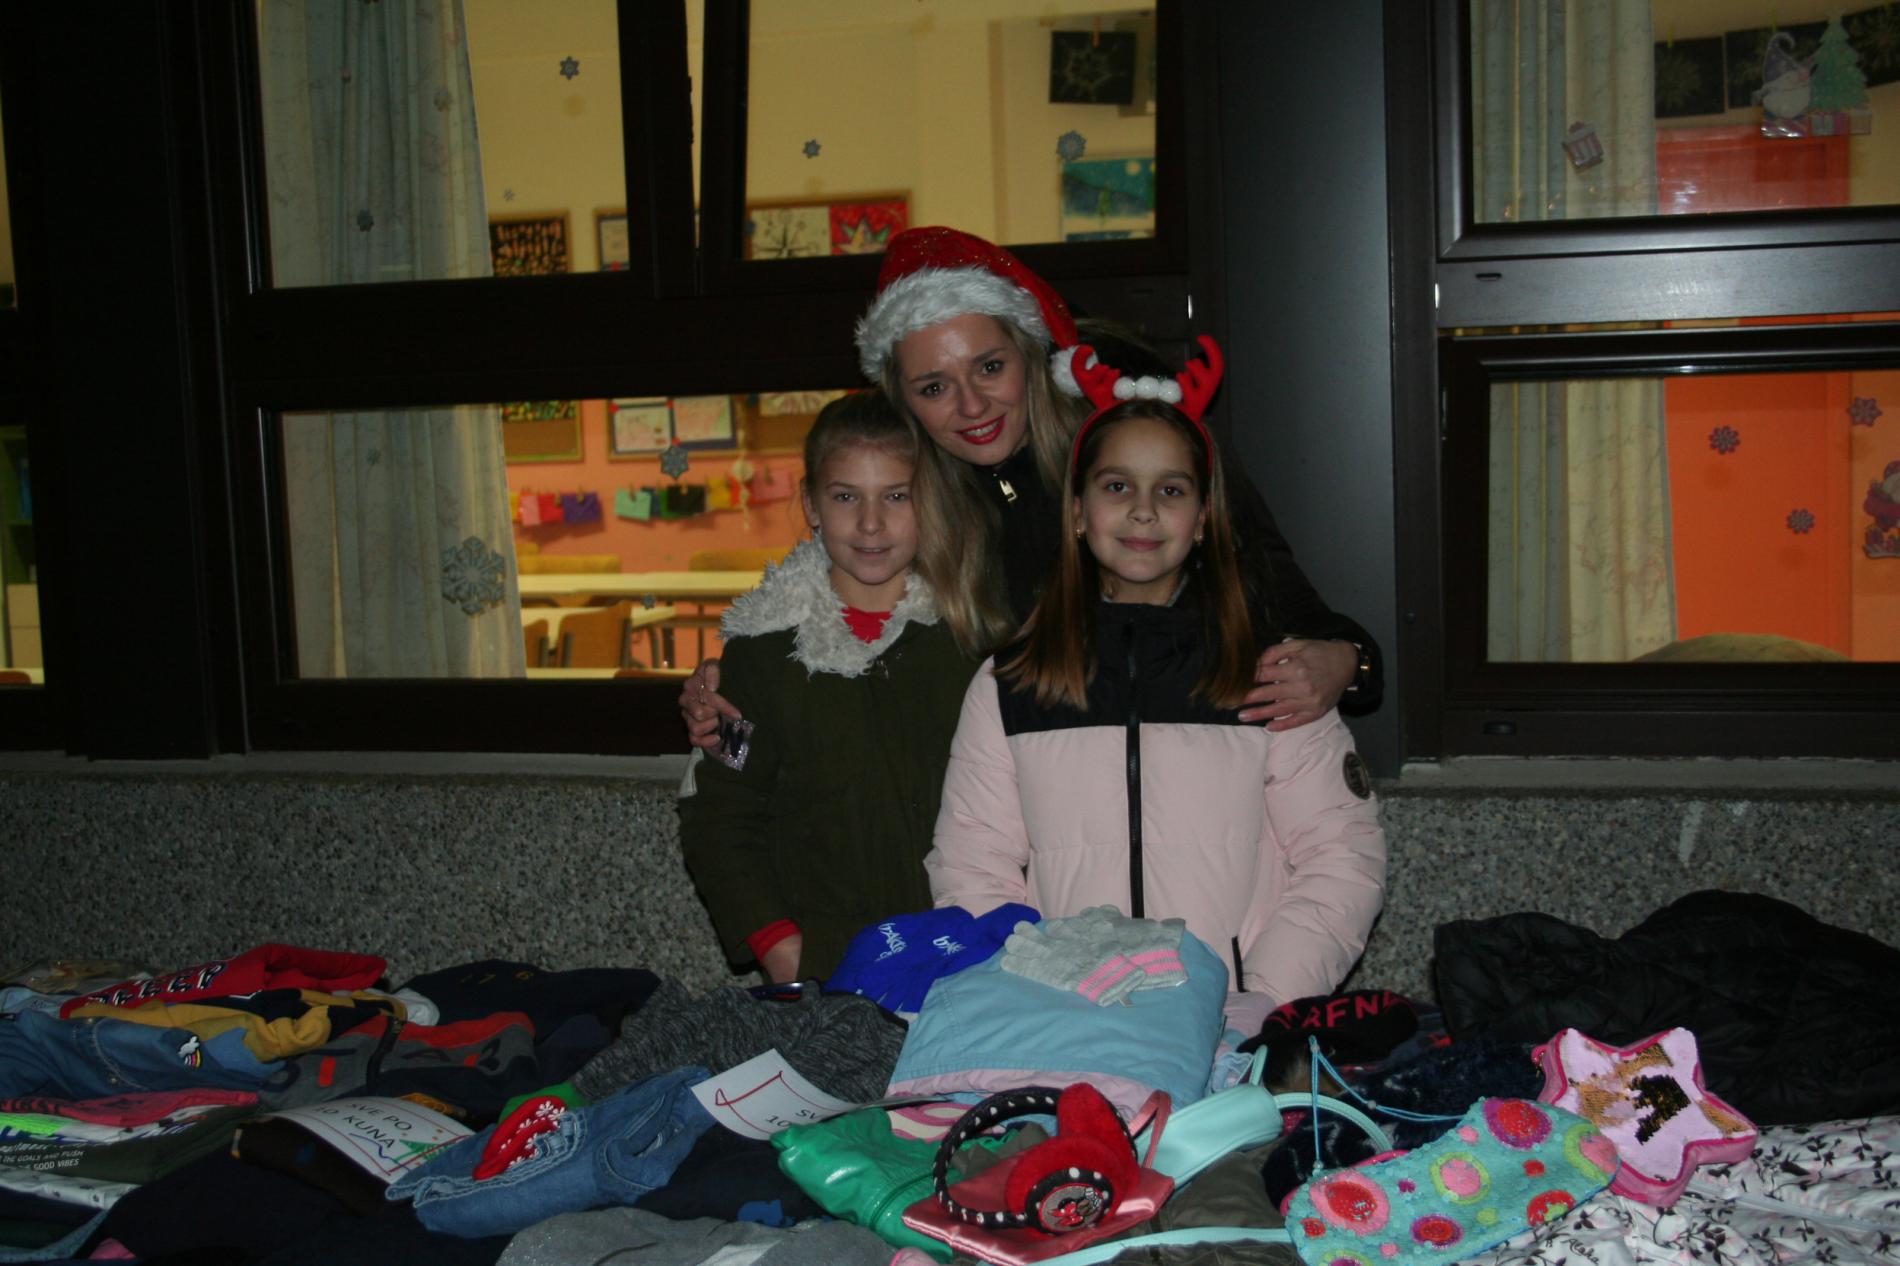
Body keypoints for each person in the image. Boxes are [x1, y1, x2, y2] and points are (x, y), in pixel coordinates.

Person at [682, 227, 1380, 746]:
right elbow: (821, 611)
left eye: (989, 368)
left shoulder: (1132, 437)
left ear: (1029, 353)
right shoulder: (910, 500)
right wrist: (733, 692)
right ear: (905, 403)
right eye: (934, 387)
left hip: (1202, 766)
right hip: (1033, 819)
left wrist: (1348, 659)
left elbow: (1267, 574)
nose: (972, 406)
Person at [925, 338, 1387, 1013]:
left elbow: (1340, 857)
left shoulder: (1268, 673)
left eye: (1170, 490)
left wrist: (1260, 1002)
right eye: (1117, 486)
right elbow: (973, 867)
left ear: (1202, 521)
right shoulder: (1011, 682)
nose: (1143, 510)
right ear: (1077, 511)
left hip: (1232, 1022)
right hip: (1065, 1025)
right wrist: (1040, 996)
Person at [676, 392, 987, 983]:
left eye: (897, 496)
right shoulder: (759, 656)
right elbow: (721, 810)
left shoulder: (973, 641)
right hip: (824, 961)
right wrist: (778, 945)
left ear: (932, 501)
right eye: (846, 497)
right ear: (811, 504)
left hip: (962, 953)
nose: (871, 523)